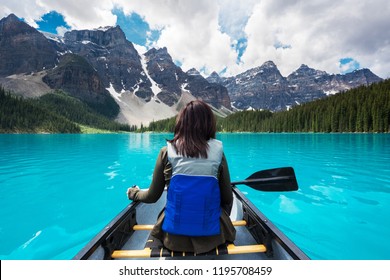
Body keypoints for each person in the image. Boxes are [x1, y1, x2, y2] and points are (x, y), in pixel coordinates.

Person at [127, 100, 236, 254]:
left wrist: (135, 193)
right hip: (213, 237)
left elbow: (152, 197)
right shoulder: (218, 153)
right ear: (209, 124)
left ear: (181, 124)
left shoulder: (166, 152)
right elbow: (227, 199)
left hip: (172, 239)